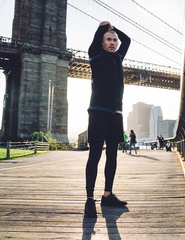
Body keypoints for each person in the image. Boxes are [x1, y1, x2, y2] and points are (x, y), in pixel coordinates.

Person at [84, 20, 131, 218]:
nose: (112, 42)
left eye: (114, 40)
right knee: (95, 155)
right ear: (101, 43)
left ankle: (107, 195)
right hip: (98, 112)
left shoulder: (118, 57)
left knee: (113, 155)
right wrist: (103, 28)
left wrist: (113, 28)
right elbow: (97, 39)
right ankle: (89, 201)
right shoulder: (95, 54)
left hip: (116, 113)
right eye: (108, 39)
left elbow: (127, 40)